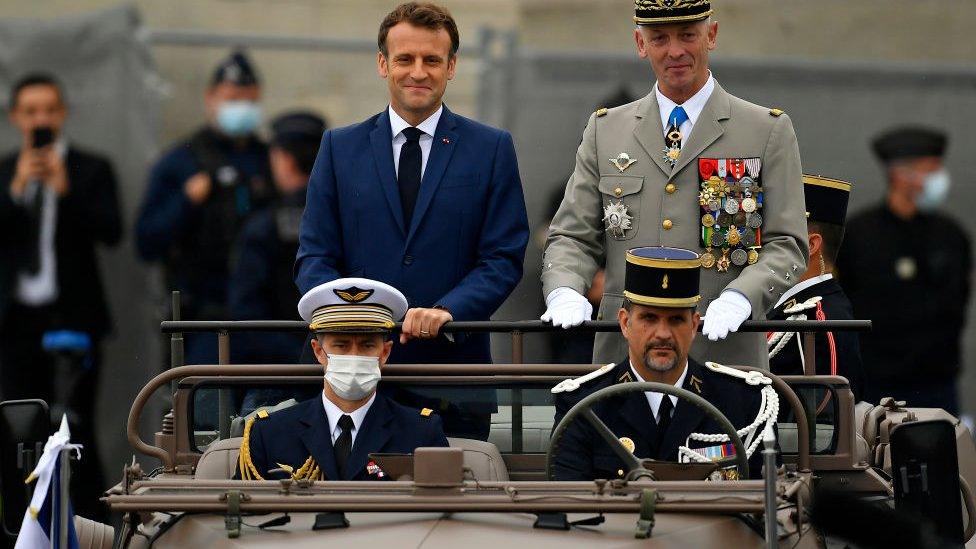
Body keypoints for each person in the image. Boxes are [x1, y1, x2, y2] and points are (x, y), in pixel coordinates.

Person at [295, 3, 528, 438]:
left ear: (452, 66)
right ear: (383, 64)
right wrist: (354, 318)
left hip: (452, 381)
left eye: (431, 60)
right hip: (354, 377)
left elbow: (502, 257)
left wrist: (447, 311)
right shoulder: (339, 148)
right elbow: (314, 256)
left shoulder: (490, 148)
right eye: (405, 59)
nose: (417, 72)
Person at [541, 0, 808, 369]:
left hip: (722, 354)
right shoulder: (607, 130)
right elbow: (572, 237)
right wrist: (565, 288)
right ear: (640, 43)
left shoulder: (765, 130)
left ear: (711, 35)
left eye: (687, 35)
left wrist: (742, 297)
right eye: (659, 38)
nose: (676, 51)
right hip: (626, 357)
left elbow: (787, 243)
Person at [0, 73, 121, 519]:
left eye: (49, 109)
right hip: (17, 323)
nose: (41, 119)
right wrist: (15, 193)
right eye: (31, 111)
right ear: (16, 117)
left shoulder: (91, 168)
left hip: (73, 318)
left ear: (62, 113)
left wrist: (65, 193)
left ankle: (87, 526)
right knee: (16, 431)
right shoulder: (5, 169)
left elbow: (111, 231)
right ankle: (19, 526)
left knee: (73, 429)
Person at [551, 247, 772, 481]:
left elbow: (768, 502)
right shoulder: (585, 405)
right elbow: (569, 504)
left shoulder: (743, 401)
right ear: (625, 323)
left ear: (694, 326)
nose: (663, 334)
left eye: (676, 319)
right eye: (649, 318)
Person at [237, 277, 449, 481]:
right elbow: (242, 512)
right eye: (341, 345)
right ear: (318, 351)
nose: (354, 356)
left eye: (367, 345)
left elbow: (443, 509)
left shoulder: (421, 433)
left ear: (384, 353)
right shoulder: (269, 433)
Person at [136, 50, 273, 364]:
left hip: (262, 320)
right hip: (201, 317)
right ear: (211, 98)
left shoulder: (270, 160)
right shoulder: (181, 160)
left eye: (250, 100)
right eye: (233, 99)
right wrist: (186, 201)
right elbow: (146, 241)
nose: (242, 108)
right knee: (201, 407)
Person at [837, 128, 971, 413]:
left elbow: (958, 301)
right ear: (901, 175)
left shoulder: (950, 235)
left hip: (938, 381)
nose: (939, 179)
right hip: (877, 381)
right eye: (930, 171)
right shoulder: (860, 235)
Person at [229, 111, 326, 366]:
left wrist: (299, 359)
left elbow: (245, 314)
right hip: (340, 362)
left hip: (276, 370)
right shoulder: (347, 218)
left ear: (285, 160)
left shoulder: (263, 227)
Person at [767, 175, 865, 401]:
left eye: (776, 238)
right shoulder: (791, 307)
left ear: (810, 245)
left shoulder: (820, 317)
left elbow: (828, 415)